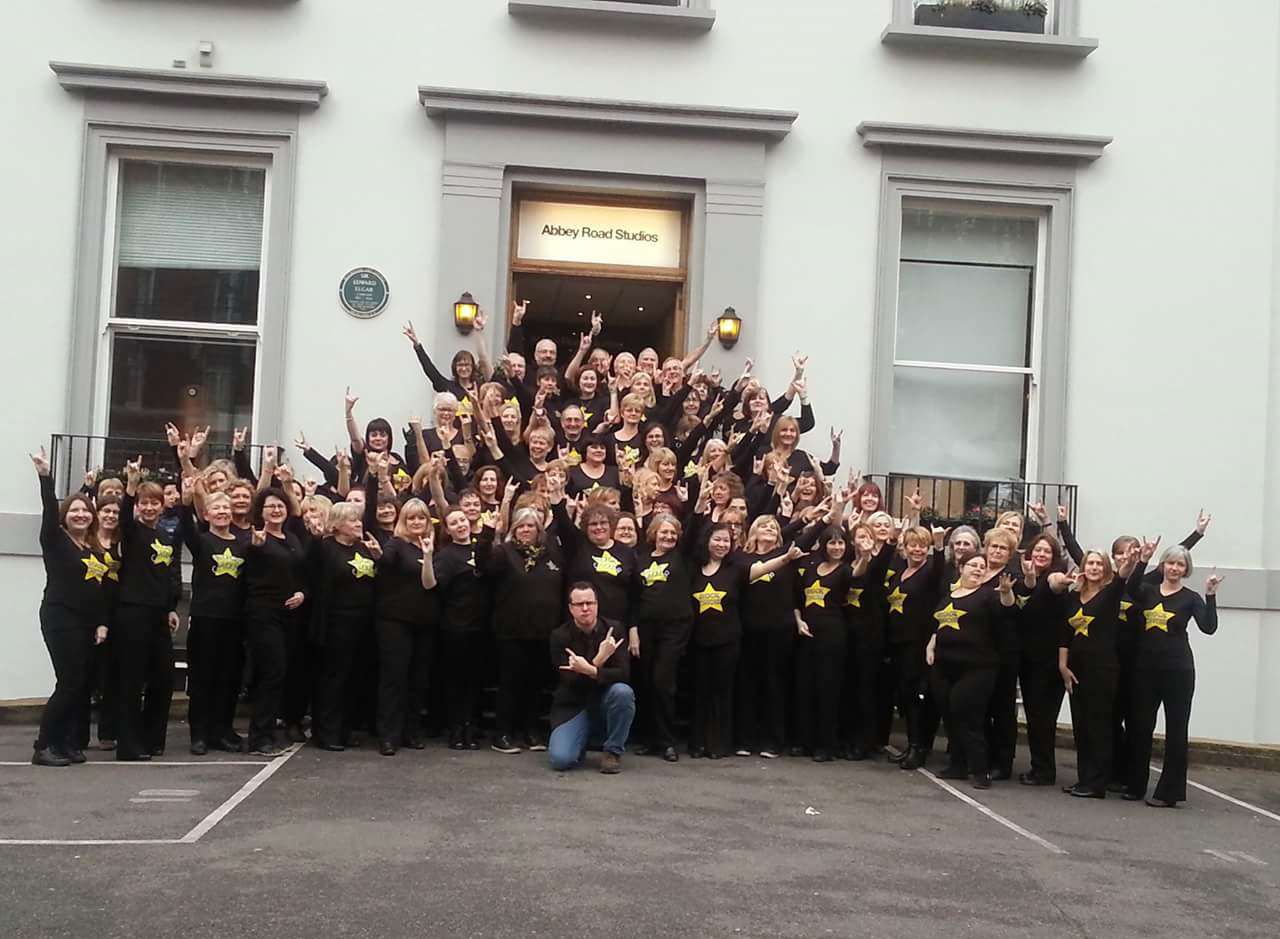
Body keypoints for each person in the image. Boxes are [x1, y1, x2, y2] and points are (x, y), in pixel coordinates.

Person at [1124, 541, 1222, 807]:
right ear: (1163, 565)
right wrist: (1142, 560)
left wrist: (1210, 594)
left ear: (1186, 569)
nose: (1174, 568)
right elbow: (1129, 588)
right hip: (1145, 670)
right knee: (1140, 727)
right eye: (1170, 563)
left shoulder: (1190, 598)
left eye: (1180, 564)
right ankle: (1135, 786)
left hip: (1178, 670)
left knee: (1177, 730)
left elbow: (1209, 627)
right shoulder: (1147, 591)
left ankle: (1169, 792)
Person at [30, 448, 107, 767]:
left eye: (85, 511)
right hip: (60, 618)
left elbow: (100, 590)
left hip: (86, 622)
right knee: (69, 682)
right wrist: (45, 476)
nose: (80, 515)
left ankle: (64, 743)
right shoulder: (55, 540)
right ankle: (44, 745)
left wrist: (101, 622)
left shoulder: (91, 546)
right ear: (65, 515)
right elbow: (49, 512)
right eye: (74, 511)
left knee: (80, 684)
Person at [478, 493, 565, 754]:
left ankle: (530, 731)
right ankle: (503, 733)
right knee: (510, 684)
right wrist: (487, 533)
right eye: (521, 527)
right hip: (511, 631)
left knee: (536, 684)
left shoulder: (552, 554)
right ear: (514, 530)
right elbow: (484, 566)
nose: (526, 530)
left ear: (540, 530)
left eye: (531, 526)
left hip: (543, 632)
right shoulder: (504, 553)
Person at [1049, 546, 1138, 798]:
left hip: (1102, 668)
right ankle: (1084, 779)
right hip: (1076, 669)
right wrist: (1063, 666)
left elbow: (1123, 577)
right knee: (1081, 726)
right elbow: (1064, 634)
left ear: (1106, 568)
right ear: (1083, 568)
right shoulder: (1072, 598)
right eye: (1090, 563)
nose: (1094, 568)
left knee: (1098, 726)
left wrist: (1131, 561)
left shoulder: (1110, 595)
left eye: (1099, 564)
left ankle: (1098, 783)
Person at [925, 556, 1016, 789]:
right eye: (973, 565)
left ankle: (980, 770)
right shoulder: (949, 597)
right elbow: (939, 625)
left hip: (977, 667)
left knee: (966, 713)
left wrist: (1006, 593)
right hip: (944, 666)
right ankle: (957, 765)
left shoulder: (989, 596)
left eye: (982, 567)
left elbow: (1005, 609)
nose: (978, 569)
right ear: (961, 568)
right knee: (949, 713)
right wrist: (931, 644)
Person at [115, 456, 181, 761]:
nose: (150, 507)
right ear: (138, 505)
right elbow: (124, 518)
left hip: (158, 613)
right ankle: (128, 745)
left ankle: (152, 739)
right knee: (130, 680)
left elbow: (166, 575)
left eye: (155, 502)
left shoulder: (164, 535)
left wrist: (170, 607)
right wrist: (130, 484)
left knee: (164, 676)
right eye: (145, 502)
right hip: (133, 612)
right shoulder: (131, 532)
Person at [178, 476, 249, 755]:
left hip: (235, 620)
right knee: (203, 678)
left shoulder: (243, 543)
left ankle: (223, 731)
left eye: (226, 509)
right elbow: (185, 529)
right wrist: (186, 502)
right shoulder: (202, 541)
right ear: (206, 515)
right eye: (216, 509)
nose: (222, 513)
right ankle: (200, 734)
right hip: (206, 618)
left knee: (229, 679)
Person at [547, 582, 635, 774]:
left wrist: (590, 669)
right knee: (560, 760)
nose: (585, 609)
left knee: (623, 692)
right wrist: (599, 660)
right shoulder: (560, 636)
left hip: (604, 701)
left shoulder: (614, 629)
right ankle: (582, 740)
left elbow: (624, 674)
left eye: (590, 603)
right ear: (571, 608)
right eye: (579, 604)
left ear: (597, 604)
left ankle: (612, 753)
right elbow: (570, 682)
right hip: (573, 706)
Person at [374, 498, 439, 755]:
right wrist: (378, 553)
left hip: (424, 622)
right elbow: (385, 561)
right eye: (411, 518)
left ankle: (411, 732)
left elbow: (430, 584)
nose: (416, 522)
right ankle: (388, 735)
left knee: (418, 679)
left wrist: (428, 554)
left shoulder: (431, 546)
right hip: (394, 621)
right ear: (404, 520)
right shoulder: (396, 543)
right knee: (394, 679)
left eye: (421, 518)